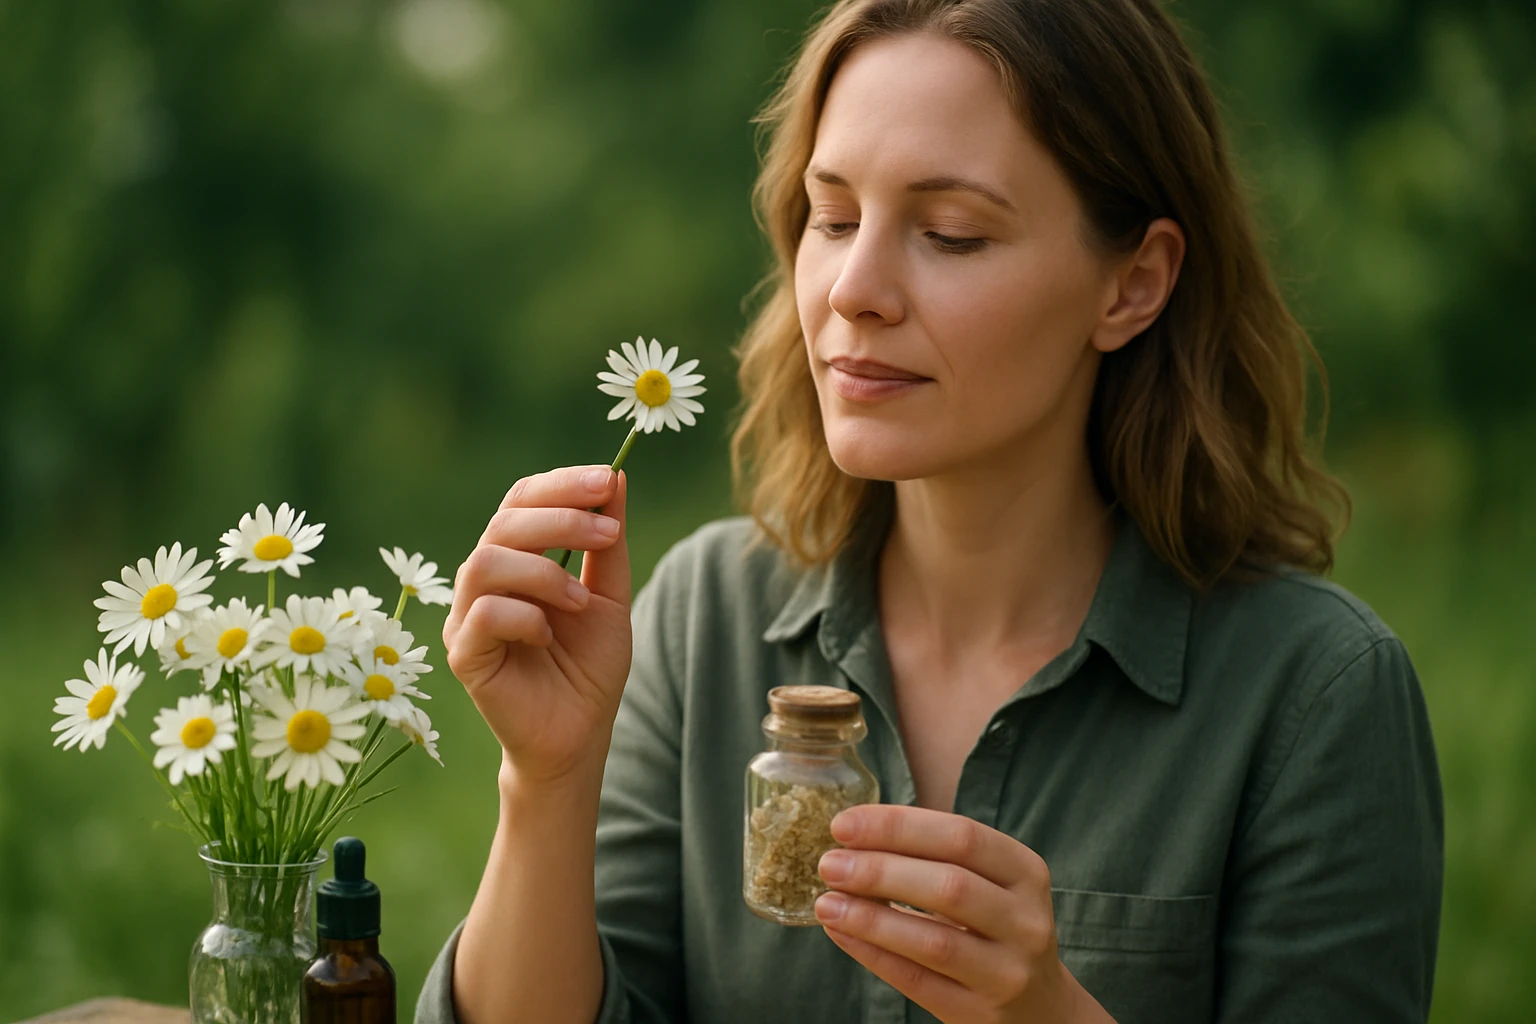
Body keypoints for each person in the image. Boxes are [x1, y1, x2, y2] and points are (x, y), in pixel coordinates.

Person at [416, 0, 1443, 1021]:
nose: (853, 290)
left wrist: (1051, 1014)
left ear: (1132, 284)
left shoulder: (1315, 693)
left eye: (951, 234)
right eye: (832, 219)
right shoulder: (702, 620)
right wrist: (547, 781)